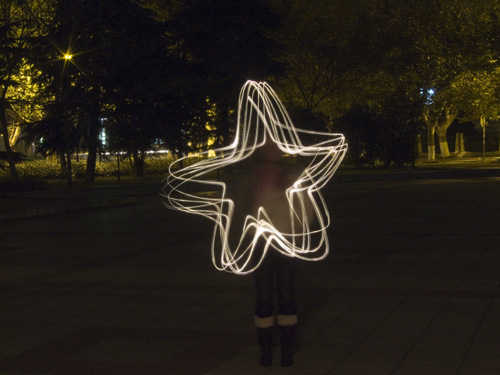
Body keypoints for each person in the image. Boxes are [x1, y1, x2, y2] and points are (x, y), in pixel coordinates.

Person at [250, 140, 297, 367]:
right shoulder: (254, 177)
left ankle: (287, 350)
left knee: (286, 295)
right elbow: (244, 208)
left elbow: (302, 209)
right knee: (264, 297)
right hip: (261, 244)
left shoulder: (290, 176)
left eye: (274, 146)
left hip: (284, 241)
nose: (271, 150)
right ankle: (266, 350)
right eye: (266, 146)